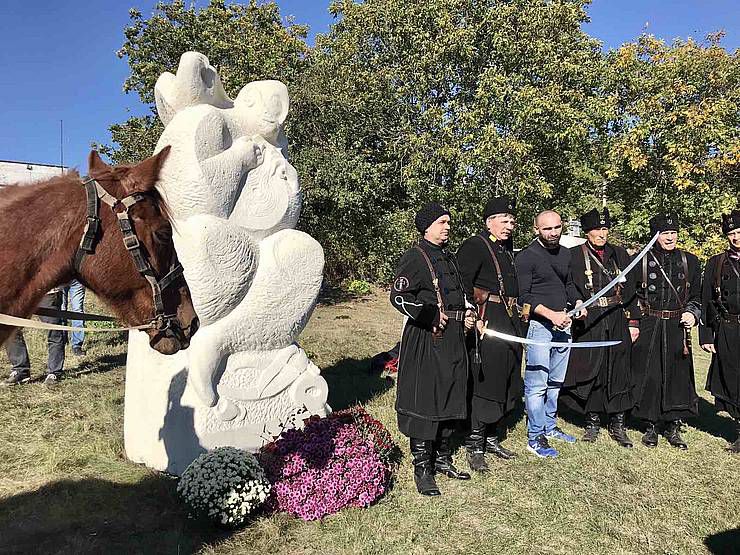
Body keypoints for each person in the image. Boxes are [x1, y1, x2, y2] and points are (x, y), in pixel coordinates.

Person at [390, 202, 476, 496]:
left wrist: (467, 312)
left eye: (448, 221)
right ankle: (422, 467)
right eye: (442, 222)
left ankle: (441, 458)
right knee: (427, 398)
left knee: (451, 392)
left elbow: (458, 293)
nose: (447, 226)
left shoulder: (448, 258)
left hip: (454, 336)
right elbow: (398, 295)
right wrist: (427, 313)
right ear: (427, 227)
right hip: (428, 336)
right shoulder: (415, 257)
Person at [560, 208, 639, 448]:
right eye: (597, 229)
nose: (601, 234)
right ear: (587, 231)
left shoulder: (620, 254)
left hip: (616, 315)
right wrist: (576, 301)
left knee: (618, 368)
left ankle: (618, 422)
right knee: (590, 368)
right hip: (589, 319)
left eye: (605, 229)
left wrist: (633, 322)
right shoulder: (573, 255)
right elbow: (568, 284)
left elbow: (632, 290)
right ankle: (592, 419)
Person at [457, 196, 522, 471]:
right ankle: (475, 443)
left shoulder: (507, 249)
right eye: (504, 220)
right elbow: (460, 284)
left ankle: (493, 436)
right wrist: (472, 315)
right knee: (486, 381)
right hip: (488, 320)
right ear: (489, 222)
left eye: (512, 221)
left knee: (507, 376)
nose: (509, 226)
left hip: (509, 320)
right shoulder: (475, 245)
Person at [515, 210, 584, 458]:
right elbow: (525, 297)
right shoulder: (525, 257)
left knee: (555, 382)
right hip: (539, 328)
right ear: (536, 230)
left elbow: (568, 285)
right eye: (547, 229)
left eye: (557, 227)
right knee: (536, 385)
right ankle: (535, 437)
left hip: (563, 325)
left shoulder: (565, 253)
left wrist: (577, 302)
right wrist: (551, 315)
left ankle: (549, 426)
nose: (553, 233)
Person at [632, 213, 700, 449]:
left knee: (676, 375)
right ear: (655, 235)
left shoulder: (690, 261)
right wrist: (634, 323)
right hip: (649, 323)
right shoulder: (640, 260)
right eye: (664, 233)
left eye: (673, 232)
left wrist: (692, 312)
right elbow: (632, 296)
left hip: (676, 326)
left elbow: (697, 297)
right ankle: (650, 425)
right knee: (649, 374)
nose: (670, 237)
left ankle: (673, 425)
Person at [700, 209, 740, 453]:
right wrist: (705, 336)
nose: (736, 237)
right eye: (732, 233)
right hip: (728, 329)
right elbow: (706, 300)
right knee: (732, 380)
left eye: (739, 232)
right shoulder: (717, 263)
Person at [3, 288, 66, 386]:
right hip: (20, 292)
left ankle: (54, 372)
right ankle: (21, 371)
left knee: (53, 331)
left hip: (47, 291)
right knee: (11, 329)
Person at [62, 279, 86, 356]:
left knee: (77, 311)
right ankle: (61, 340)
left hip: (76, 280)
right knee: (62, 310)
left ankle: (76, 345)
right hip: (62, 279)